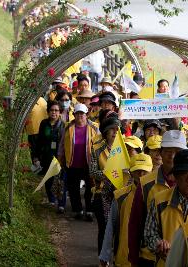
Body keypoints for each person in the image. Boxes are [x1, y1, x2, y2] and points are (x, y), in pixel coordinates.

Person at [128, 130, 187, 267]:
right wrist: (133, 257)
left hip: (184, 256)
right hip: (150, 258)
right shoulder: (146, 183)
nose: (172, 157)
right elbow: (136, 222)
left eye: (177, 152)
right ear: (160, 153)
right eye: (168, 151)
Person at [144, 149, 188, 267]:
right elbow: (149, 234)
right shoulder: (159, 200)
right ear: (175, 175)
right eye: (185, 173)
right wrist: (158, 244)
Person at [99, 153, 153, 267]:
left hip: (151, 258)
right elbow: (110, 227)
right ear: (131, 172)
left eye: (145, 171)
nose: (141, 175)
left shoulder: (158, 196)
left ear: (152, 171)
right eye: (137, 171)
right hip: (124, 258)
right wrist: (105, 255)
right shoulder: (120, 196)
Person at [58, 103, 99, 220]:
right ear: (74, 115)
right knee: (73, 188)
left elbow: (100, 143)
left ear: (87, 115)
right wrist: (60, 158)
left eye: (82, 113)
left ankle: (89, 210)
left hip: (89, 164)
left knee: (90, 188)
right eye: (78, 113)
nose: (80, 116)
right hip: (72, 164)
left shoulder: (94, 128)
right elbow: (61, 144)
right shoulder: (68, 128)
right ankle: (78, 210)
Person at [90, 115, 121, 253]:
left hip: (121, 194)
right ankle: (102, 258)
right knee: (104, 227)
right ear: (106, 132)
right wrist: (109, 175)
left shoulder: (125, 149)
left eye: (117, 129)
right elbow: (92, 171)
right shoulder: (96, 150)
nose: (115, 132)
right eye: (112, 129)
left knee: (119, 228)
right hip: (101, 193)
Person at [35, 100, 66, 212]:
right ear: (48, 112)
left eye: (56, 110)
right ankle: (52, 200)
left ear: (60, 112)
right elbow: (39, 141)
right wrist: (36, 156)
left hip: (59, 157)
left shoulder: (63, 125)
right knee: (48, 179)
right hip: (47, 156)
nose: (54, 112)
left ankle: (61, 203)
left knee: (61, 180)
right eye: (52, 110)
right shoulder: (44, 123)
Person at [25, 97, 47, 164]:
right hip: (34, 131)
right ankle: (38, 169)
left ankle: (39, 168)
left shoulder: (41, 100)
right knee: (37, 152)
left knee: (37, 153)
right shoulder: (42, 100)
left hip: (40, 131)